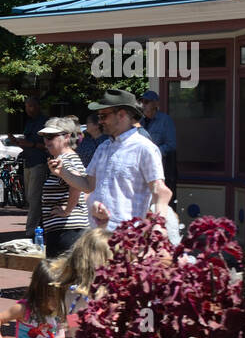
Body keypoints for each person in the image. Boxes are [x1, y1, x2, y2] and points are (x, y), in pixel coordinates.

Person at [51, 89, 168, 231]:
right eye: (99, 116)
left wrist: (158, 227)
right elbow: (88, 185)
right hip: (98, 234)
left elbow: (159, 191)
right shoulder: (103, 147)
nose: (100, 121)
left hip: (127, 237)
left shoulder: (145, 148)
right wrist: (63, 172)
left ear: (122, 115)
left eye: (103, 116)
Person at [39, 117, 89, 257]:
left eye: (51, 136)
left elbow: (77, 184)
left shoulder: (65, 159)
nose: (46, 141)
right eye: (44, 137)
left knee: (60, 276)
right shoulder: (67, 158)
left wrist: (67, 210)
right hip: (67, 230)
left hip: (66, 231)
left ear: (67, 137)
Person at [12, 96, 48, 235]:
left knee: (34, 197)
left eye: (31, 106)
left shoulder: (44, 122)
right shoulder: (29, 122)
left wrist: (31, 144)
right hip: (28, 162)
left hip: (39, 162)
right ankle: (39, 225)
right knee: (29, 197)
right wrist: (17, 142)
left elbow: (47, 146)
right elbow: (27, 143)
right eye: (26, 107)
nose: (28, 109)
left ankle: (30, 230)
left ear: (38, 106)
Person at [139, 91, 177, 202]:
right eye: (141, 102)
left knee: (158, 204)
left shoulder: (165, 120)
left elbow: (171, 145)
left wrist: (153, 152)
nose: (143, 105)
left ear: (156, 104)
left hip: (160, 171)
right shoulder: (139, 122)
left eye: (146, 102)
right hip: (141, 172)